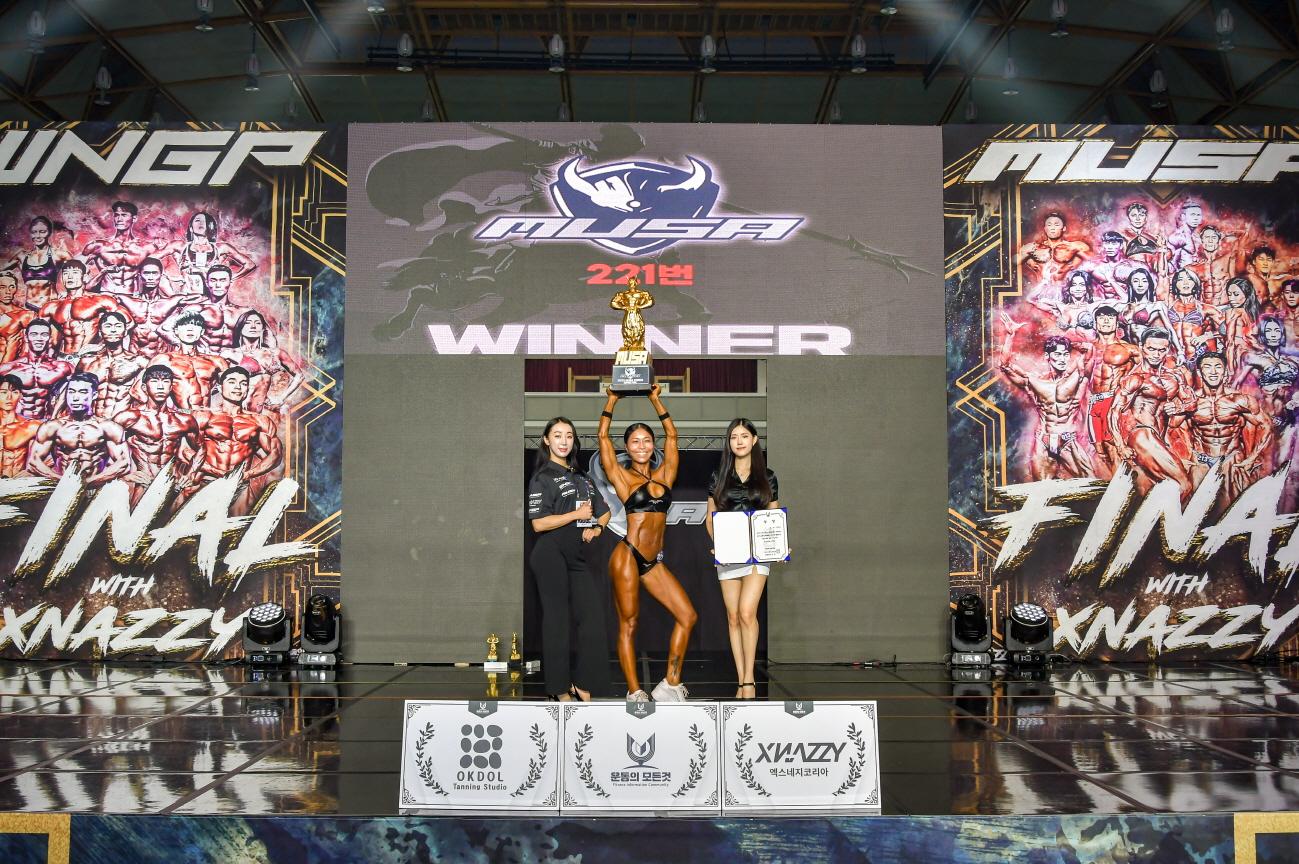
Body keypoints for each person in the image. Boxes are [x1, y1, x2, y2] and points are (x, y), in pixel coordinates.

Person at [598, 383, 696, 702]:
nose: (641, 446)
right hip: (627, 556)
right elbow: (602, 438)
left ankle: (670, 683)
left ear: (653, 445)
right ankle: (634, 691)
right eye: (635, 442)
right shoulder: (622, 477)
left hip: (653, 562)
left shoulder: (666, 474)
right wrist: (611, 401)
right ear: (627, 448)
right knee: (629, 624)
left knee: (687, 616)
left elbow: (673, 436)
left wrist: (656, 400)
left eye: (646, 441)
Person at [527, 416, 613, 703]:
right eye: (557, 435)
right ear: (547, 440)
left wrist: (597, 528)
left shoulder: (582, 477)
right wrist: (575, 515)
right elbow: (538, 524)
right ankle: (558, 689)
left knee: (593, 617)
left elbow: (604, 512)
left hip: (575, 557)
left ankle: (583, 683)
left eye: (568, 436)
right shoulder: (542, 477)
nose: (563, 441)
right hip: (549, 553)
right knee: (557, 622)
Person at [706, 418, 781, 699]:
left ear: (754, 440)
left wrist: (779, 546)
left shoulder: (768, 476)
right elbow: (710, 518)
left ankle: (749, 680)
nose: (739, 441)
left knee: (748, 612)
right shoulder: (718, 476)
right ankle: (741, 680)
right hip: (728, 554)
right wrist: (718, 546)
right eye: (734, 437)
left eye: (744, 436)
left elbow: (773, 516)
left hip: (757, 554)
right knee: (734, 616)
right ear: (729, 442)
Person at [999, 313, 1093, 480]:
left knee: (1091, 482)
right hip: (1044, 440)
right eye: (1057, 354)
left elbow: (1089, 350)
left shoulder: (1078, 377)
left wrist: (1069, 343)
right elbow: (1005, 366)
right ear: (1048, 356)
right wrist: (1010, 335)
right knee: (1042, 487)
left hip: (1067, 439)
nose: (1062, 359)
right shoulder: (1035, 381)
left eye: (1065, 354)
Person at [184, 366, 281, 515]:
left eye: (243, 383)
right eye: (232, 382)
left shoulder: (260, 421)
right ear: (219, 387)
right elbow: (185, 450)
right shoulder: (204, 416)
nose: (238, 387)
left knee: (238, 526)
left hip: (239, 485)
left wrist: (247, 474)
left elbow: (276, 454)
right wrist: (214, 471)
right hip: (205, 480)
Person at [28, 371, 130, 487]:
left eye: (83, 392)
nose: (75, 398)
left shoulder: (109, 428)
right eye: (71, 392)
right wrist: (63, 483)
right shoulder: (52, 427)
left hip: (94, 487)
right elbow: (33, 462)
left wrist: (86, 483)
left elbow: (124, 464)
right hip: (60, 487)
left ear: (94, 395)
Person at [162, 211, 255, 295]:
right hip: (187, 296)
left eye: (205, 221)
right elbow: (154, 258)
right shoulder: (180, 246)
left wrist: (230, 278)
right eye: (198, 220)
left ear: (210, 227)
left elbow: (250, 264)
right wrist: (169, 278)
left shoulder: (221, 248)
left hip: (210, 298)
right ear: (191, 228)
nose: (202, 223)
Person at [1, 216, 70, 310]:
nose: (38, 236)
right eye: (34, 232)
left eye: (42, 232)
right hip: (30, 308)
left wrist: (66, 292)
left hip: (50, 308)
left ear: (49, 233)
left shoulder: (58, 255)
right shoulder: (22, 256)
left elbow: (79, 269)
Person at [0, 374, 40, 478]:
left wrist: (34, 471)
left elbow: (58, 456)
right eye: (3, 392)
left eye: (14, 392)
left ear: (20, 395)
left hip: (19, 484)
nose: (9, 397)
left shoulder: (31, 426)